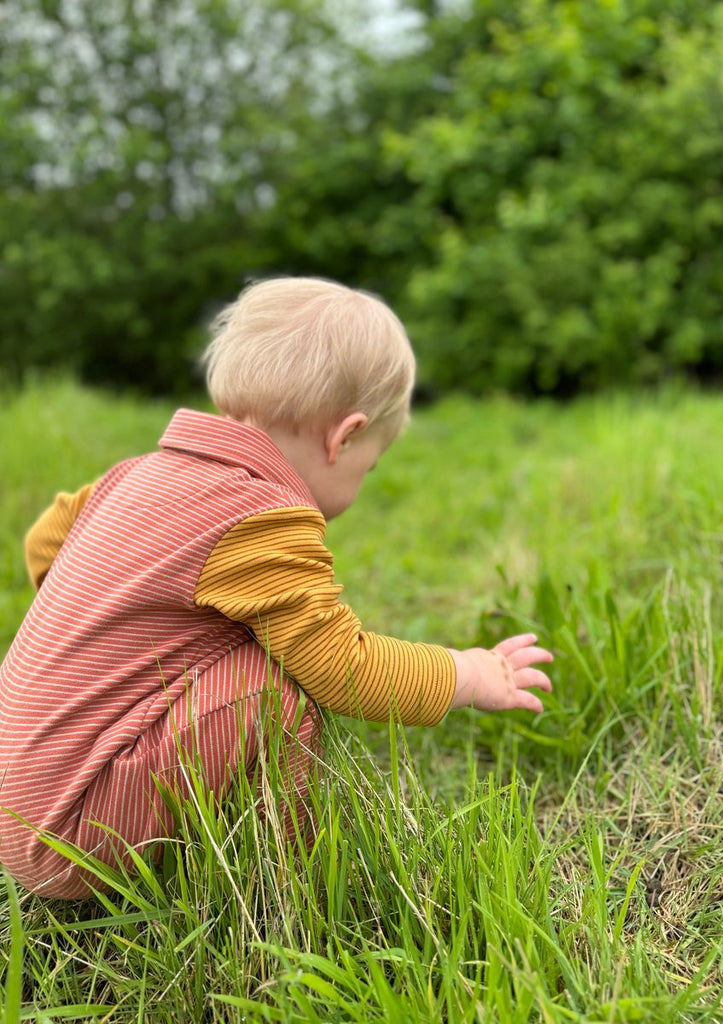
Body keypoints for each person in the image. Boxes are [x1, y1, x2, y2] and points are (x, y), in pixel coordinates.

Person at [0, 277, 553, 899]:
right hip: (73, 839)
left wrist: (100, 621)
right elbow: (343, 667)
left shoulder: (137, 476)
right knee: (277, 682)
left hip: (19, 795)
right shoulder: (256, 516)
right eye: (369, 466)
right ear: (343, 437)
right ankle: (284, 872)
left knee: (248, 645)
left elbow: (44, 542)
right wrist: (469, 674)